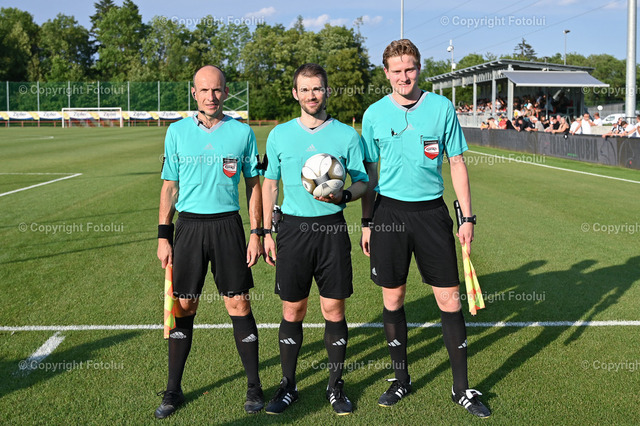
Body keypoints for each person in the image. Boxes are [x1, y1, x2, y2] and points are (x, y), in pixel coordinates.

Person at [360, 39, 491, 418]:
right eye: (397, 71)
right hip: (388, 214)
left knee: (449, 299)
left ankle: (461, 388)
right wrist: (367, 222)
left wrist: (467, 218)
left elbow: (457, 163)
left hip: (432, 214)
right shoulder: (374, 114)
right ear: (386, 73)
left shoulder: (441, 107)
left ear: (419, 68)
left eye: (410, 69)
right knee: (393, 299)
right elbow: (369, 174)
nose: (404, 77)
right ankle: (400, 379)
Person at [155, 65, 265, 419]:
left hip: (227, 227)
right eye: (204, 90)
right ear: (194, 93)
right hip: (188, 227)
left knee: (239, 304)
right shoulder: (176, 132)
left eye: (217, 90)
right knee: (184, 307)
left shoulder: (242, 132)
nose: (211, 96)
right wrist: (164, 236)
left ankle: (254, 386)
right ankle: (173, 390)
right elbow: (170, 186)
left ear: (226, 92)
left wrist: (256, 233)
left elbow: (254, 186)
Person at [261, 63, 369, 415]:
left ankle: (335, 386)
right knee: (293, 309)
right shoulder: (279, 135)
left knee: (333, 308)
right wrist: (265, 231)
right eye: (305, 89)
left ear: (327, 91)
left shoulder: (347, 136)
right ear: (295, 93)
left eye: (317, 88)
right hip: (292, 230)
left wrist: (345, 196)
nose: (311, 95)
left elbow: (363, 181)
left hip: (331, 230)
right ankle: (288, 385)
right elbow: (270, 184)